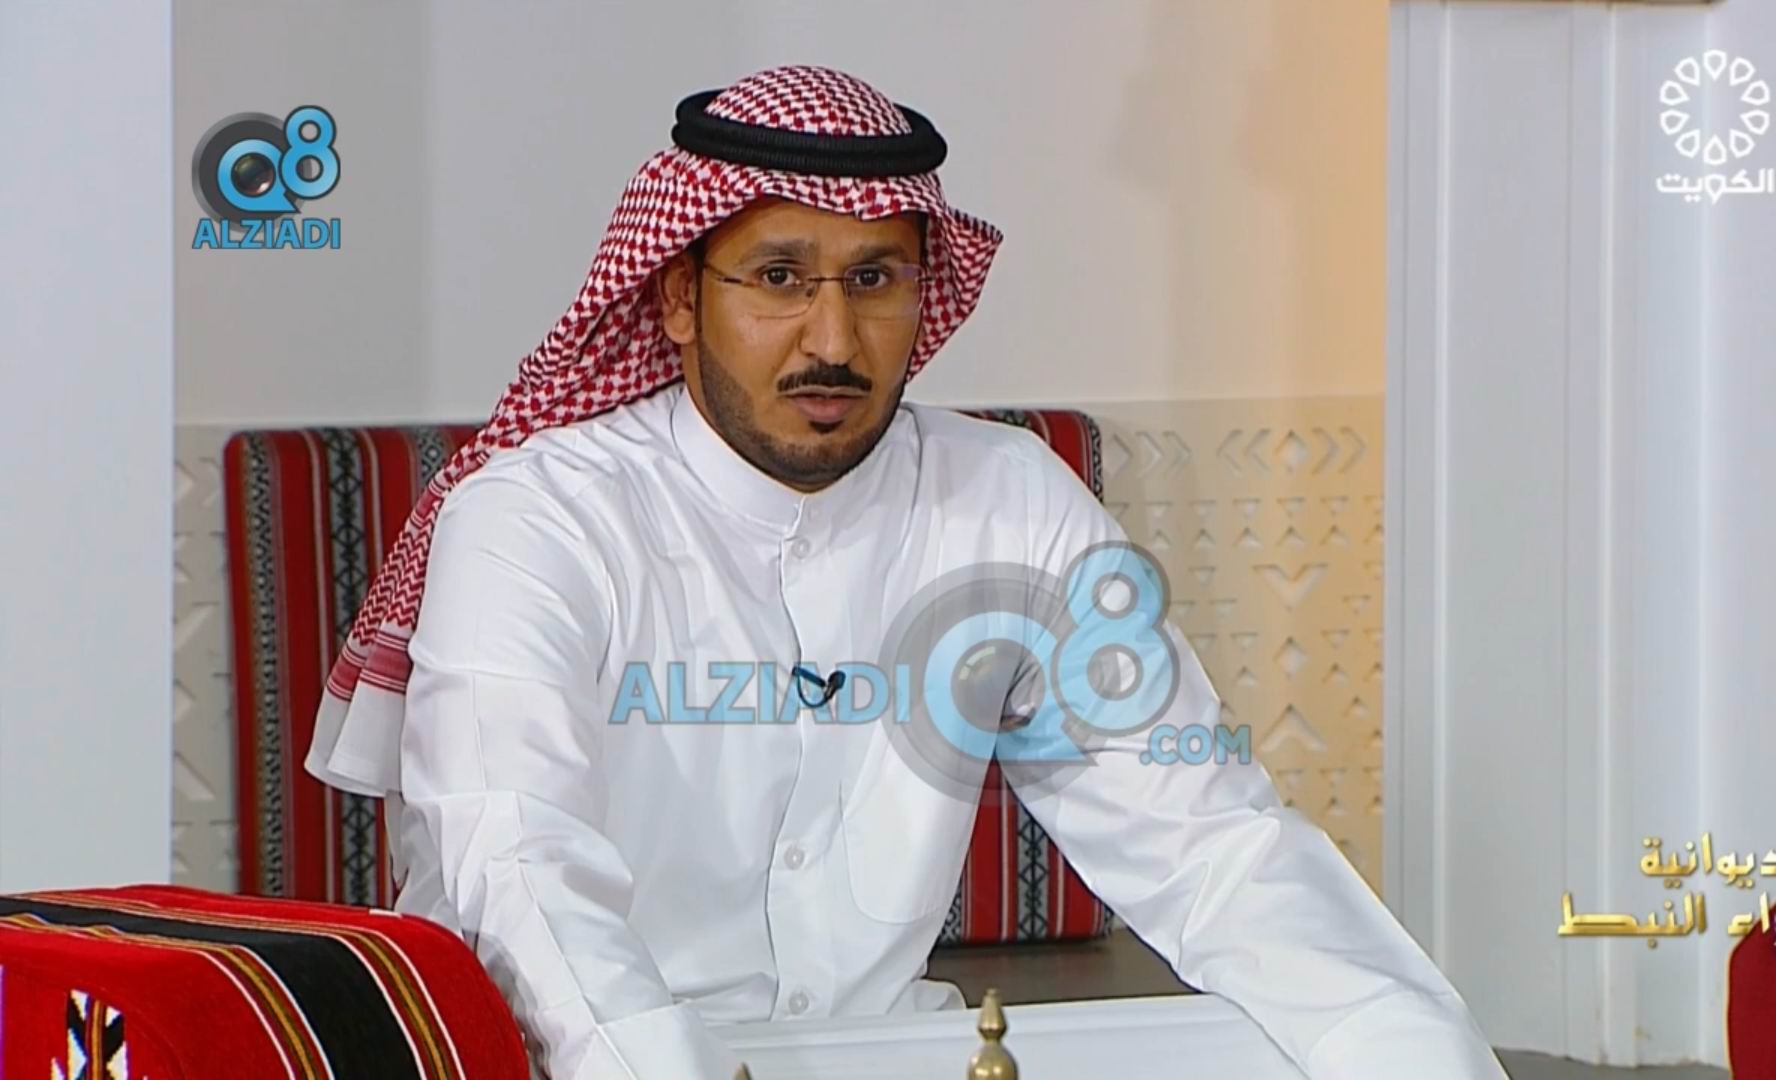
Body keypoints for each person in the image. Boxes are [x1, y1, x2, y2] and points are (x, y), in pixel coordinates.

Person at [304, 65, 1508, 1080]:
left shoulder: (1007, 499)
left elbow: (1207, 842)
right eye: (780, 279)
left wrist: (1418, 1055)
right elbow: (521, 868)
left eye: (875, 280)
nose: (832, 340)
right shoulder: (536, 518)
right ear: (677, 297)